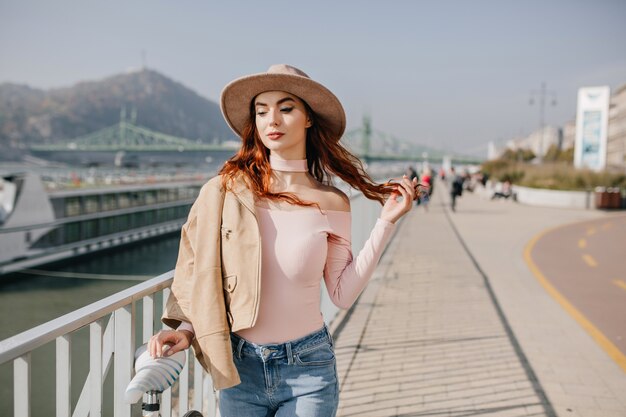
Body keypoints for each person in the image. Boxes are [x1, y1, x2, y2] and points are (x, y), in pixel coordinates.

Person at [148, 64, 417, 417]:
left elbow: (342, 292)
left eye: (286, 108)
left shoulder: (331, 201)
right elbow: (199, 268)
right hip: (239, 369)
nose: (272, 119)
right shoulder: (227, 191)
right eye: (262, 111)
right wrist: (185, 329)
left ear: (308, 118)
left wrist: (385, 224)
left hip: (309, 367)